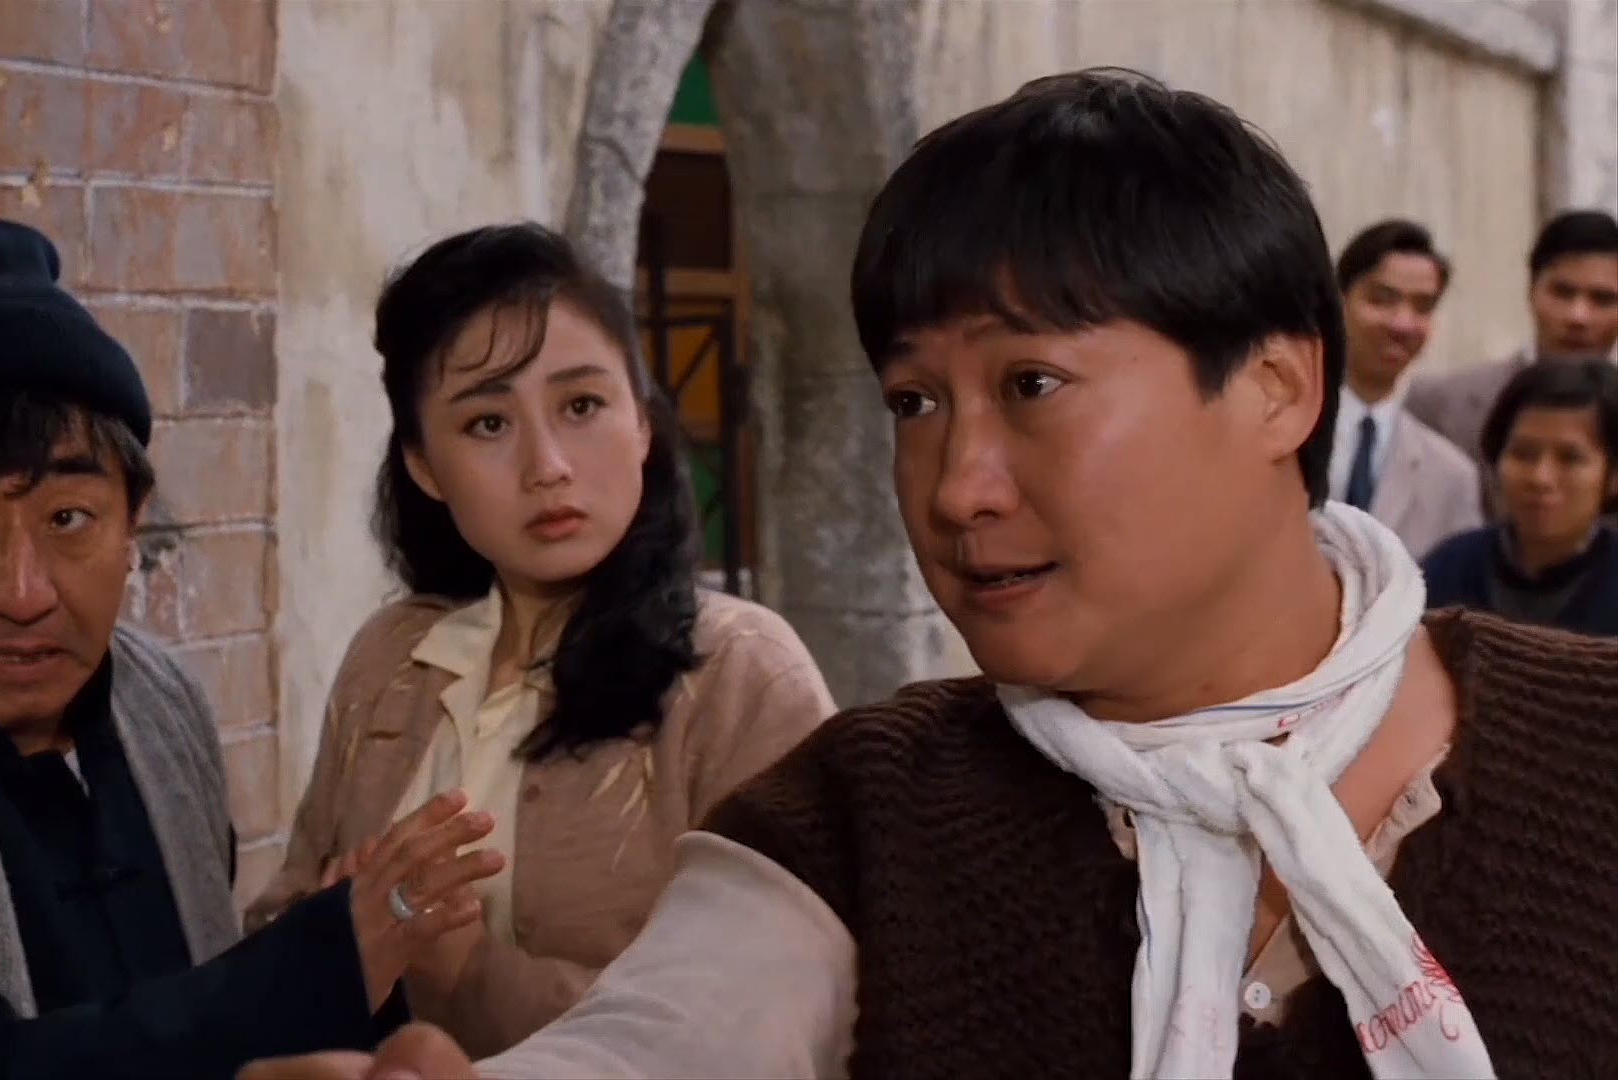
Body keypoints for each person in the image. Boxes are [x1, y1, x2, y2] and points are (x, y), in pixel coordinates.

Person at [242, 69, 1618, 1080]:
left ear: (1276, 386)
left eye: (1031, 385)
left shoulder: (1587, 746)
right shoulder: (863, 815)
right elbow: (668, 1036)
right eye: (914, 404)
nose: (958, 488)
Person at [0, 214, 499, 1079]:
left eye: (69, 519)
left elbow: (193, 1006)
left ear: (133, 522)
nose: (23, 595)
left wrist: (350, 973)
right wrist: (313, 969)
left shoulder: (162, 704)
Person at [245, 223, 834, 1057]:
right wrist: (329, 940)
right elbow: (276, 926)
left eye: (582, 406)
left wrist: (466, 973)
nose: (547, 465)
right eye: (488, 423)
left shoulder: (743, 673)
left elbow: (774, 1021)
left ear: (642, 420)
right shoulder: (392, 657)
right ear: (423, 465)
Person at [1407, 209, 1618, 510]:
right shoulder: (1440, 404)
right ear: (1532, 291)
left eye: (1602, 299)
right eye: (1562, 293)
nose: (1578, 316)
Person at [1421, 357, 1618, 635]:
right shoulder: (1447, 568)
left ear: (1613, 475)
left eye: (1570, 458)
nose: (1540, 478)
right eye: (1524, 454)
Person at [1327, 220, 1479, 558]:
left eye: (1422, 307)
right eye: (1382, 300)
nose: (1402, 324)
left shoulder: (1451, 476)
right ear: (1338, 301)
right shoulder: (1277, 434)